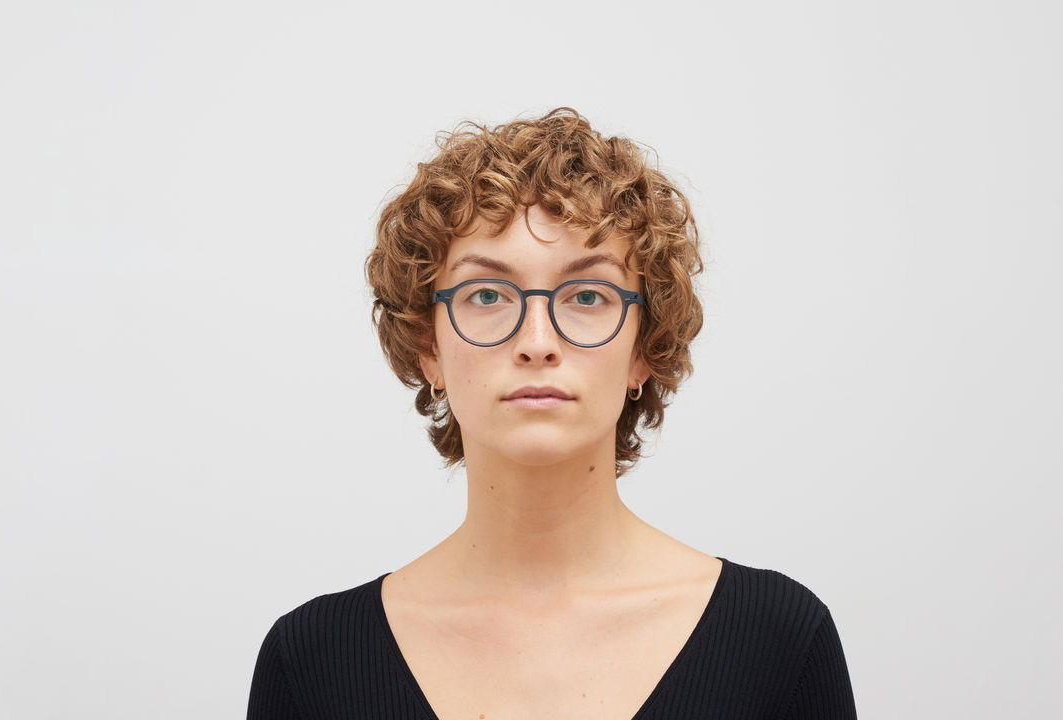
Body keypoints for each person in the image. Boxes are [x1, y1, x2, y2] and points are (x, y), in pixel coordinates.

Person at [246, 108, 858, 719]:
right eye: (487, 294)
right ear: (428, 347)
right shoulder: (311, 661)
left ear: (643, 349)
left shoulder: (780, 643)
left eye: (587, 295)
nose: (537, 341)